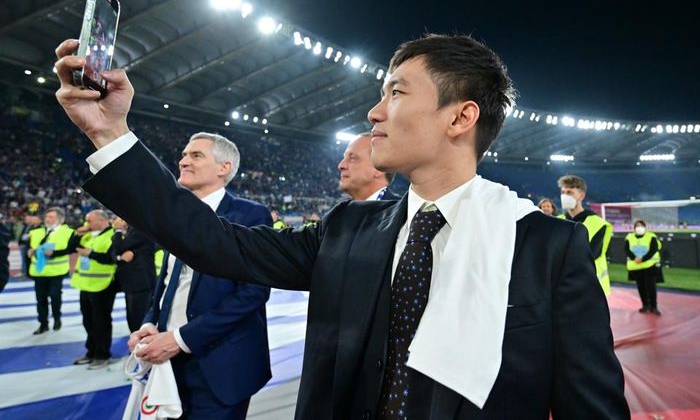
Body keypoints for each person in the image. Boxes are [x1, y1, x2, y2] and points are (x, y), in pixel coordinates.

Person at [55, 34, 629, 419]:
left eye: (395, 93)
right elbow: (214, 242)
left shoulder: (548, 247)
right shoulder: (348, 228)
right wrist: (109, 134)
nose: (374, 112)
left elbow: (590, 408)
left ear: (461, 116)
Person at [127, 132, 272, 419]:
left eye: (196, 155)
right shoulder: (176, 215)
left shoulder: (250, 215)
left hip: (220, 363)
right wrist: (150, 322)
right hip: (167, 360)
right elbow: (167, 280)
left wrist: (180, 339)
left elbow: (252, 293)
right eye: (184, 155)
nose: (183, 161)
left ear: (224, 167)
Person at [71, 209, 117, 370]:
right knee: (88, 320)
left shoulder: (112, 235)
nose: (86, 223)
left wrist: (90, 254)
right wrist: (77, 235)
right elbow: (72, 248)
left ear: (101, 220)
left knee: (101, 322)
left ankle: (103, 354)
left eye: (89, 220)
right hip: (85, 284)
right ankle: (91, 351)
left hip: (103, 284)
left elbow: (110, 258)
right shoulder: (88, 234)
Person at [558, 175, 614, 296]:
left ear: (581, 196)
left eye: (569, 192)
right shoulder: (557, 221)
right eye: (563, 192)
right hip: (562, 287)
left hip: (590, 288)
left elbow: (589, 255)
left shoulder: (598, 224)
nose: (565, 196)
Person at [28, 207, 77, 335]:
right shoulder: (36, 231)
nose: (47, 219)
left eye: (51, 217)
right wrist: (30, 251)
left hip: (57, 271)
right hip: (39, 271)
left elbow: (71, 249)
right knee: (41, 299)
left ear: (60, 220)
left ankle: (57, 318)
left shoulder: (68, 232)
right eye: (47, 216)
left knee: (55, 296)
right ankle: (43, 324)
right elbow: (29, 246)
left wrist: (54, 253)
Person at [109, 216, 157, 332]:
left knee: (139, 318)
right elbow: (113, 252)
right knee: (132, 317)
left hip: (141, 282)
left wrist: (118, 230)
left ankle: (142, 341)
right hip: (131, 282)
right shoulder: (131, 230)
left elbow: (119, 247)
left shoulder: (141, 229)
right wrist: (120, 258)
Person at [338, 133, 399, 201]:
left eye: (352, 158)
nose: (341, 165)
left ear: (379, 168)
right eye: (344, 157)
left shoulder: (404, 207)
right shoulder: (341, 207)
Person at [624, 220, 663, 315]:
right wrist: (634, 258)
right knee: (641, 286)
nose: (639, 228)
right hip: (636, 266)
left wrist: (643, 259)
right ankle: (645, 305)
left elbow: (654, 249)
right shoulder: (629, 237)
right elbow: (626, 249)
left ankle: (654, 307)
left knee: (651, 286)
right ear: (634, 228)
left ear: (645, 227)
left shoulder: (651, 236)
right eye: (637, 226)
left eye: (641, 226)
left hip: (650, 266)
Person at [18, 212, 43, 279]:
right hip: (29, 246)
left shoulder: (41, 228)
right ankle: (28, 273)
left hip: (36, 247)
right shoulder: (30, 227)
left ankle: (33, 273)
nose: (33, 221)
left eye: (34, 220)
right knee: (28, 260)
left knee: (35, 260)